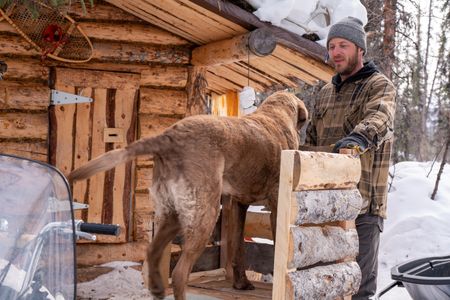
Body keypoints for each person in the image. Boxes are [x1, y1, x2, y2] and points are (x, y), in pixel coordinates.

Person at [302, 16, 396, 299]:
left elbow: (380, 117)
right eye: (331, 46)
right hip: (324, 206)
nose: (336, 52)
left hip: (363, 206)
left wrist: (357, 139)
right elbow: (311, 144)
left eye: (343, 45)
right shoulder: (326, 93)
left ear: (360, 50)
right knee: (323, 281)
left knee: (358, 289)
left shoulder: (379, 86)